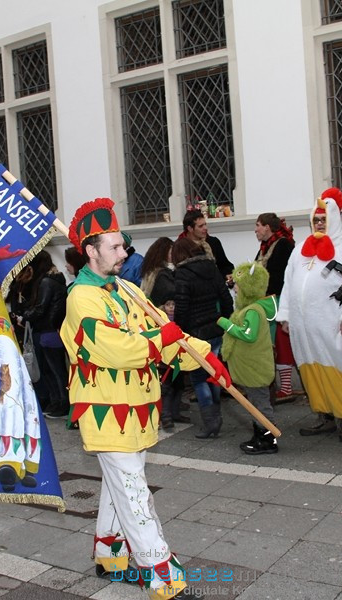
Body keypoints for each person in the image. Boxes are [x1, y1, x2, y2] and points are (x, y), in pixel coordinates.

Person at [61, 197, 226, 599]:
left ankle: (109, 553)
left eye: (123, 245)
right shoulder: (80, 298)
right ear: (91, 250)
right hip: (105, 412)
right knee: (134, 490)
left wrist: (205, 357)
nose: (124, 252)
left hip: (138, 408)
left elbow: (167, 337)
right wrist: (162, 338)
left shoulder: (129, 289)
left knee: (120, 484)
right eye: (115, 247)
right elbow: (115, 348)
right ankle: (160, 570)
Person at [277, 188, 342, 443]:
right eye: (316, 219)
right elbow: (288, 283)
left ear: (334, 219)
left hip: (330, 324)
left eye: (323, 219)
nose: (319, 223)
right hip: (303, 327)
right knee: (309, 368)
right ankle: (324, 414)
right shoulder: (300, 250)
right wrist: (286, 315)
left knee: (335, 369)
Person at [173, 237, 233, 439]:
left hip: (194, 333)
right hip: (215, 328)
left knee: (199, 378)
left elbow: (182, 306)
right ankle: (215, 414)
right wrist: (225, 320)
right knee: (214, 373)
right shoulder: (211, 267)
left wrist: (179, 331)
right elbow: (225, 296)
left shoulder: (181, 274)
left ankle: (211, 421)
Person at [219, 262, 279, 454]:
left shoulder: (253, 311)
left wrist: (225, 324)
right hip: (252, 368)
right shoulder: (250, 309)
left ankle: (268, 441)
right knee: (255, 404)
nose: (234, 288)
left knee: (260, 405)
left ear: (247, 287)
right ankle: (259, 436)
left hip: (256, 369)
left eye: (237, 284)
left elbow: (248, 334)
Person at [140, 237, 189, 428]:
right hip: (163, 328)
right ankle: (166, 414)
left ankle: (173, 411)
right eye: (171, 250)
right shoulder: (161, 275)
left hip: (170, 327)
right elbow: (170, 294)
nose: (174, 253)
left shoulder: (163, 273)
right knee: (167, 375)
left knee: (176, 373)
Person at [19, 251, 69, 418]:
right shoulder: (55, 280)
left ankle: (62, 404)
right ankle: (57, 402)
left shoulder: (46, 282)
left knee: (54, 371)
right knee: (51, 370)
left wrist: (25, 316)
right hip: (51, 330)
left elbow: (41, 308)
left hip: (47, 330)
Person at [254, 212, 296, 402]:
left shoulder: (283, 245)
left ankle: (286, 388)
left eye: (258, 225)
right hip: (268, 300)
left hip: (279, 300)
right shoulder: (265, 246)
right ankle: (279, 386)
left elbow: (281, 276)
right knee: (273, 342)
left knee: (281, 342)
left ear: (267, 227)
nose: (256, 229)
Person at [179, 209, 234, 281]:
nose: (205, 228)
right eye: (200, 226)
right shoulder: (180, 247)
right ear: (190, 228)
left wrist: (227, 276)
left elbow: (225, 266)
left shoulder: (213, 242)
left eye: (205, 224)